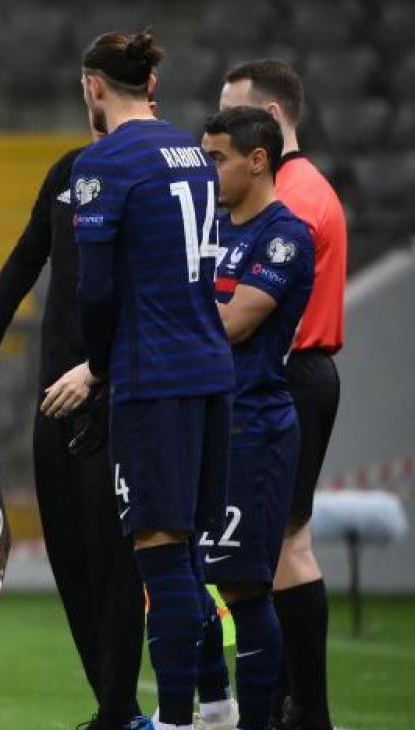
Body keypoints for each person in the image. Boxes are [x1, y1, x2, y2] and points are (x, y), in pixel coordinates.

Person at [58, 30, 235, 730]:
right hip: (209, 367)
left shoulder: (103, 163)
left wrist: (98, 367)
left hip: (153, 374)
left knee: (158, 549)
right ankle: (217, 702)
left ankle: (174, 719)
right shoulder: (194, 150)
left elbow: (95, 293)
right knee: (187, 545)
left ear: (95, 87)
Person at [0, 110, 147, 730]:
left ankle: (137, 707)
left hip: (117, 392)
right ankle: (112, 705)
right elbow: (27, 253)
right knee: (70, 554)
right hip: (52, 395)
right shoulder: (66, 172)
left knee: (121, 561)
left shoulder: (155, 180)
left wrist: (102, 368)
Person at [220, 60, 347, 730]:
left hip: (286, 376)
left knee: (278, 549)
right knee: (282, 544)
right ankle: (296, 707)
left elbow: (246, 310)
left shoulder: (287, 201)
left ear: (267, 116)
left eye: (235, 113)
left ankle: (293, 709)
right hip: (304, 373)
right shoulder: (309, 185)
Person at [200, 106, 315, 730]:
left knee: (245, 589)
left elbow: (236, 322)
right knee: (186, 576)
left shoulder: (284, 236)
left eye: (216, 156)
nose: (208, 168)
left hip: (254, 429)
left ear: (256, 159)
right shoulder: (211, 227)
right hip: (205, 423)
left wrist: (167, 330)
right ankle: (214, 708)